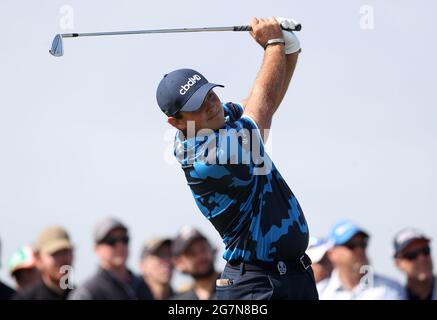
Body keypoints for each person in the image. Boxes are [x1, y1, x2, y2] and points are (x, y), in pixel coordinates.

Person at [156, 16, 317, 300]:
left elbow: (263, 100)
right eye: (197, 104)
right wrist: (273, 44)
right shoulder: (209, 158)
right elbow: (261, 112)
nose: (211, 104)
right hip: (255, 286)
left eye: (208, 94)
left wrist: (287, 52)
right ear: (177, 122)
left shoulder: (213, 122)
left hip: (291, 278)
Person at [69, 217, 153, 300]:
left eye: (124, 239)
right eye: (111, 241)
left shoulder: (141, 286)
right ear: (97, 248)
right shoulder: (88, 292)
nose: (120, 246)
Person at [319, 220, 403, 300]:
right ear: (332, 254)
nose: (359, 250)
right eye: (351, 245)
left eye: (363, 244)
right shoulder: (319, 292)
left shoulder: (390, 289)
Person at [14, 226, 74, 300]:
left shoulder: (84, 295)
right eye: (55, 253)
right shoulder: (25, 298)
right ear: (39, 258)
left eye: (65, 252)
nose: (63, 259)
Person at [171, 226, 219, 300]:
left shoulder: (236, 287)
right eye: (191, 253)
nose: (200, 256)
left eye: (203, 249)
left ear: (212, 250)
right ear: (179, 263)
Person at [393, 228, 436, 300]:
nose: (421, 259)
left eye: (425, 251)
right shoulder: (391, 296)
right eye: (412, 255)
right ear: (398, 263)